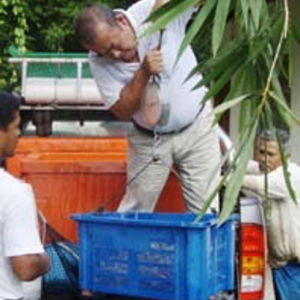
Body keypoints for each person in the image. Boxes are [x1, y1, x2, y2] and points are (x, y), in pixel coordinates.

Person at [74, 0, 221, 213]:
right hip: (149, 138)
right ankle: (129, 245)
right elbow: (122, 110)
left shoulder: (147, 11)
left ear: (121, 21)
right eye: (105, 53)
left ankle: (205, 245)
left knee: (207, 211)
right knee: (136, 210)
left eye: (114, 45)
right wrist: (143, 73)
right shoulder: (97, 61)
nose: (114, 55)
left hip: (197, 128)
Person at [0, 91, 50, 300]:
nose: (19, 133)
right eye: (16, 126)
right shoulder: (14, 191)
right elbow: (26, 267)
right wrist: (46, 260)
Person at [242, 129, 300, 300]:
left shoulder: (290, 176)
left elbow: (259, 184)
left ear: (286, 157)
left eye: (270, 154)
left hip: (295, 268)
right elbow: (247, 165)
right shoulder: (268, 170)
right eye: (260, 152)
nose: (263, 158)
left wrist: (227, 178)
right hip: (282, 267)